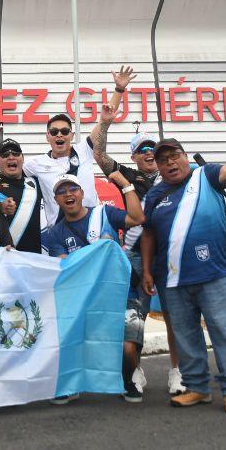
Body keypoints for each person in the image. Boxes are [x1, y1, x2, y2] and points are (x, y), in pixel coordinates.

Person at [141, 137, 226, 415]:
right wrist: (147, 269)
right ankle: (197, 388)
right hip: (172, 279)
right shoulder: (154, 195)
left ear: (185, 156)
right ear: (159, 166)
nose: (170, 163)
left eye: (174, 155)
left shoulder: (207, 175)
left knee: (222, 331)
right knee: (185, 335)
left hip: (213, 273)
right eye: (163, 160)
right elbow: (149, 233)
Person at [93, 106, 186, 396]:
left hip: (172, 254)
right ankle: (134, 369)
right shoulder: (130, 176)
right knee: (137, 316)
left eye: (153, 149)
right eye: (142, 149)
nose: (149, 153)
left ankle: (178, 371)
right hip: (135, 252)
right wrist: (105, 124)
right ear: (134, 156)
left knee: (175, 315)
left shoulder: (179, 176)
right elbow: (99, 156)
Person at [39, 172, 144, 403]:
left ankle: (126, 379)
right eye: (61, 191)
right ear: (55, 199)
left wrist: (126, 186)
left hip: (122, 294)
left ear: (82, 193)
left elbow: (137, 219)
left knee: (128, 349)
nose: (68, 194)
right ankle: (70, 384)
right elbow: (66, 266)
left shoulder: (104, 213)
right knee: (67, 339)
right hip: (84, 299)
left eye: (72, 189)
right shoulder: (55, 233)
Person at [23, 66, 135, 229]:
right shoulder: (34, 164)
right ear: (47, 136)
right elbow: (10, 177)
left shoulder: (84, 149)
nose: (59, 135)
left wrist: (119, 89)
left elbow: (105, 121)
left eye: (64, 131)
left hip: (93, 226)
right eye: (54, 132)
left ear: (72, 135)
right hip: (59, 233)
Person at [0, 139, 41, 253]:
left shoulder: (36, 182)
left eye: (15, 153)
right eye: (5, 155)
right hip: (2, 255)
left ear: (23, 158)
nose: (11, 157)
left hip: (35, 256)